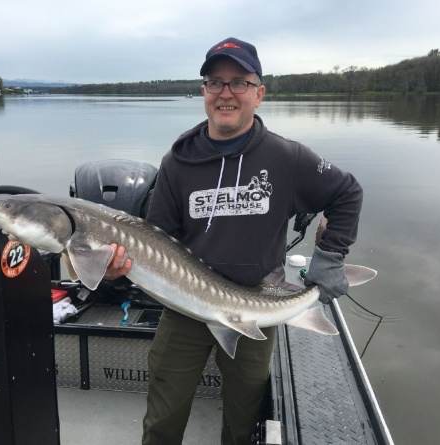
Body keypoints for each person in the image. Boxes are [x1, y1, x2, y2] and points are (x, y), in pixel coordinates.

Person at [104, 37, 363, 445]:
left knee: (244, 421)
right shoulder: (176, 163)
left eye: (239, 82)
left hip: (256, 304)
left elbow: (347, 192)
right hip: (185, 307)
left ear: (259, 94)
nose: (226, 93)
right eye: (215, 82)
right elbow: (157, 238)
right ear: (203, 92)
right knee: (161, 421)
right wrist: (120, 269)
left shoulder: (287, 158)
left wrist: (330, 256)